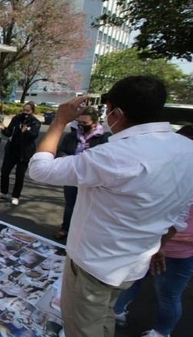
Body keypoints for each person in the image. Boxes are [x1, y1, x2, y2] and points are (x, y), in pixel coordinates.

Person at [27, 76, 193, 337]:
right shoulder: (187, 149)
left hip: (94, 265)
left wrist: (59, 121)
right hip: (133, 264)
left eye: (107, 111)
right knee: (104, 315)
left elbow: (39, 169)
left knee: (83, 326)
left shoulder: (114, 155)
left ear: (116, 113)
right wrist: (161, 243)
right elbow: (182, 209)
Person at [113, 125, 193, 337]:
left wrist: (164, 244)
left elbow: (179, 218)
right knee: (131, 281)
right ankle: (117, 311)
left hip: (176, 250)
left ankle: (161, 332)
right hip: (147, 243)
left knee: (168, 295)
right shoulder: (167, 171)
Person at [54, 106, 110, 240]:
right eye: (79, 122)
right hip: (73, 175)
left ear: (95, 123)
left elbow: (107, 158)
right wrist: (66, 158)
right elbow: (61, 151)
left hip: (93, 178)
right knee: (70, 204)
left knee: (90, 207)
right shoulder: (71, 136)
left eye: (85, 123)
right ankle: (65, 228)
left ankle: (84, 232)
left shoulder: (104, 138)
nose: (81, 126)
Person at [0, 101, 41, 206]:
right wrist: (3, 128)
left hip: (24, 152)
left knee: (19, 175)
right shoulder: (16, 118)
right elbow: (9, 132)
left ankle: (15, 196)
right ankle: (3, 192)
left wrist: (26, 131)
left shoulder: (35, 122)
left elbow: (34, 135)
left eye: (27, 111)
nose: (25, 112)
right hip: (12, 149)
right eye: (24, 110)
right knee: (5, 171)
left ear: (32, 111)